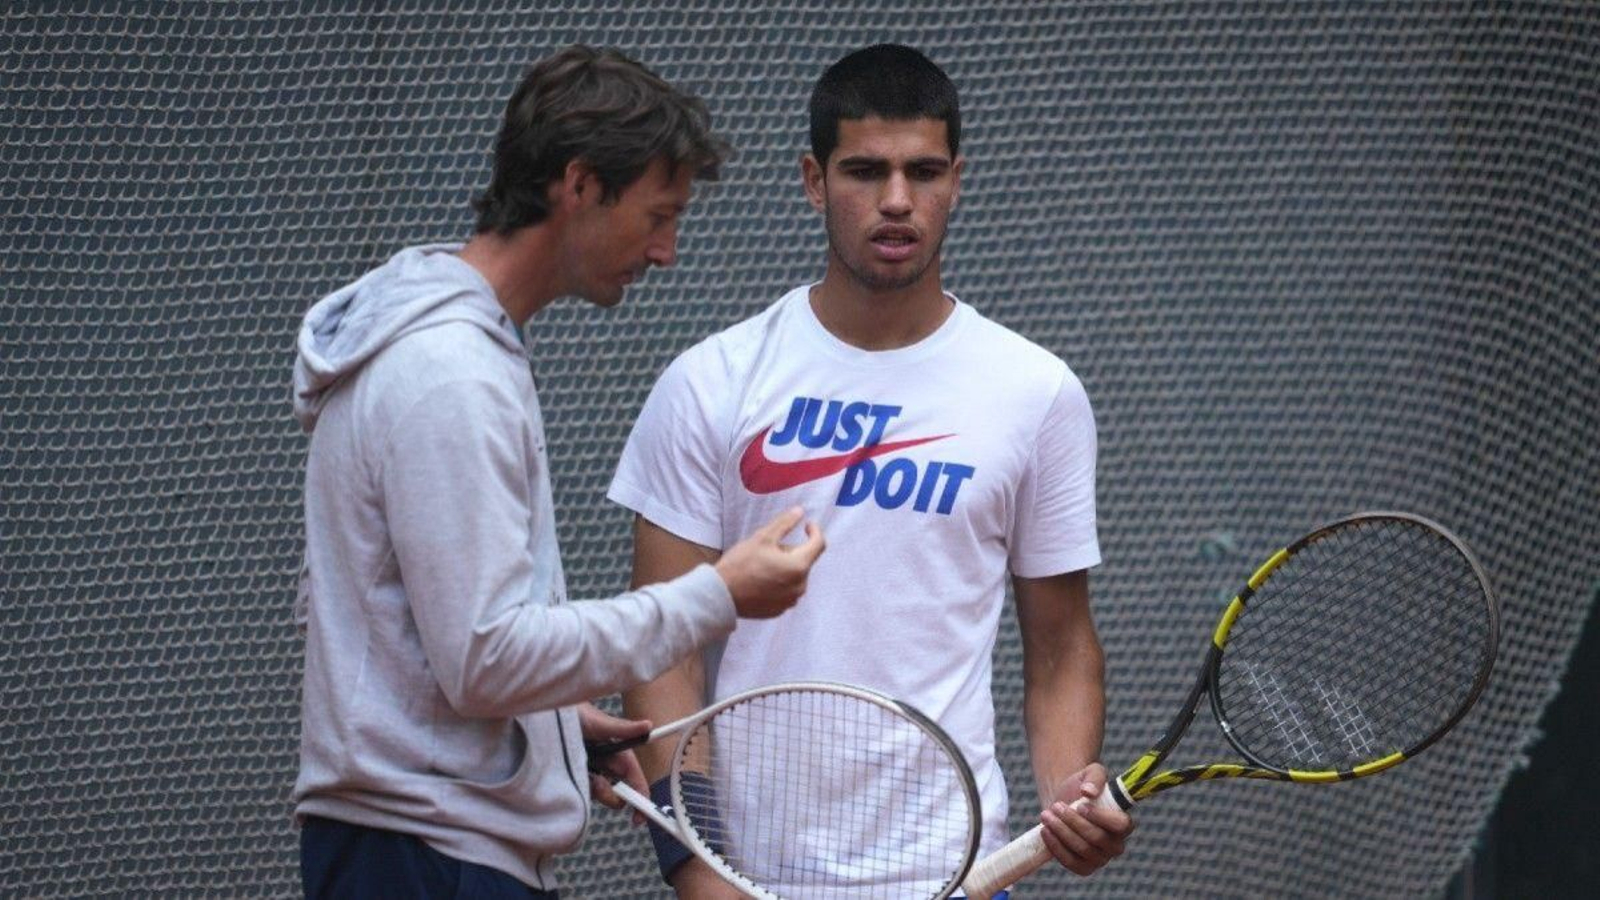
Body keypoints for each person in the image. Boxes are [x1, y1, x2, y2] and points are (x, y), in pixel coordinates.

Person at [289, 45, 825, 899]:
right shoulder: (448, 374)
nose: (666, 253)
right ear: (578, 185)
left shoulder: (462, 352)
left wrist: (549, 727)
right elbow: (485, 659)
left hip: (431, 845)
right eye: (658, 215)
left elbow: (440, 642)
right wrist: (717, 595)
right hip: (426, 859)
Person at [609, 43, 1132, 897]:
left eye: (924, 171)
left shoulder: (1038, 394)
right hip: (749, 874)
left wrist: (1069, 792)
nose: (897, 200)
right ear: (814, 180)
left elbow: (1063, 645)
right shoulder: (711, 381)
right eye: (865, 171)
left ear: (957, 179)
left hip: (953, 869)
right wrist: (703, 874)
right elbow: (661, 647)